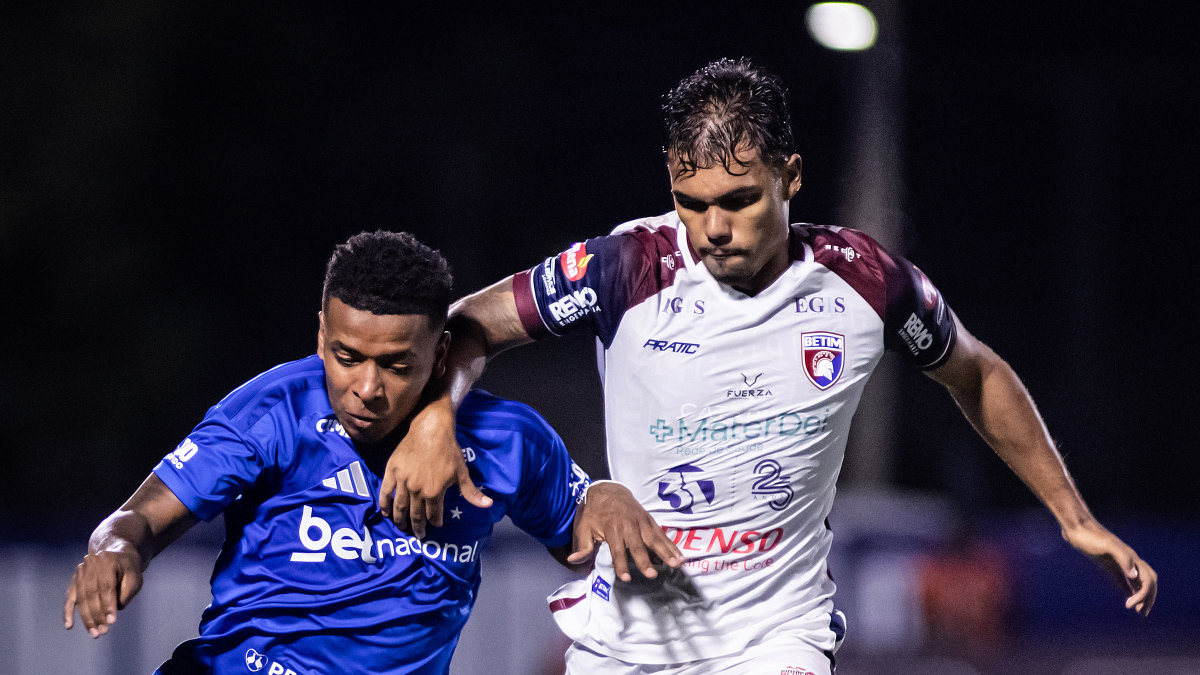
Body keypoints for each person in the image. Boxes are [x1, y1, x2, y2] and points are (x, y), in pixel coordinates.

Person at [376, 58, 1159, 674]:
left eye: (739, 200)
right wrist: (436, 417)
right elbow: (468, 324)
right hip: (626, 643)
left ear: (791, 175)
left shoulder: (865, 282)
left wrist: (1074, 517)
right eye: (691, 202)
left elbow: (977, 372)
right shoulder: (624, 267)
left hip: (775, 637)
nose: (712, 228)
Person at [63, 231, 680, 675]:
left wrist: (606, 498)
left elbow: (582, 537)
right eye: (346, 357)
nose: (366, 388)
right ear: (321, 336)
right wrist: (114, 550)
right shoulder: (274, 410)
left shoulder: (506, 441)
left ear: (440, 355)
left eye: (396, 365)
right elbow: (138, 519)